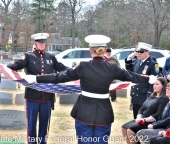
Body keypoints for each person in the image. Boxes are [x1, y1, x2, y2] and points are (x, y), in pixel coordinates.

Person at [23, 34, 155, 144]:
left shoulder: (83, 66)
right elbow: (133, 77)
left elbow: (60, 77)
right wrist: (150, 79)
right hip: (104, 112)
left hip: (83, 111)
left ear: (90, 50)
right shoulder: (113, 68)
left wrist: (36, 78)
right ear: (103, 50)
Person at [7, 33, 68, 144]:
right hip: (32, 96)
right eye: (39, 42)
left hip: (47, 97)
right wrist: (6, 68)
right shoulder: (29, 56)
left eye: (43, 42)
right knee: (32, 123)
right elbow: (17, 65)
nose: (42, 44)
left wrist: (76, 72)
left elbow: (62, 69)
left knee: (45, 123)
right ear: (35, 43)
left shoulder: (51, 57)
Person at [121, 77, 168, 144]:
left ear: (163, 86)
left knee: (130, 130)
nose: (154, 86)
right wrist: (138, 117)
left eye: (157, 84)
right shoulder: (151, 96)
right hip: (142, 119)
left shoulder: (164, 99)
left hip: (150, 121)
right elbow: (142, 108)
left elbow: (158, 114)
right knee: (124, 128)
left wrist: (144, 120)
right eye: (154, 84)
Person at [125, 42, 160, 118]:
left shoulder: (154, 64)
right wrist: (128, 60)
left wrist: (150, 95)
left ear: (148, 52)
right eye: (137, 51)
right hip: (136, 94)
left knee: (143, 118)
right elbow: (130, 73)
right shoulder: (137, 61)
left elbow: (155, 80)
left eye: (141, 51)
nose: (139, 53)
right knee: (135, 117)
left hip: (145, 95)